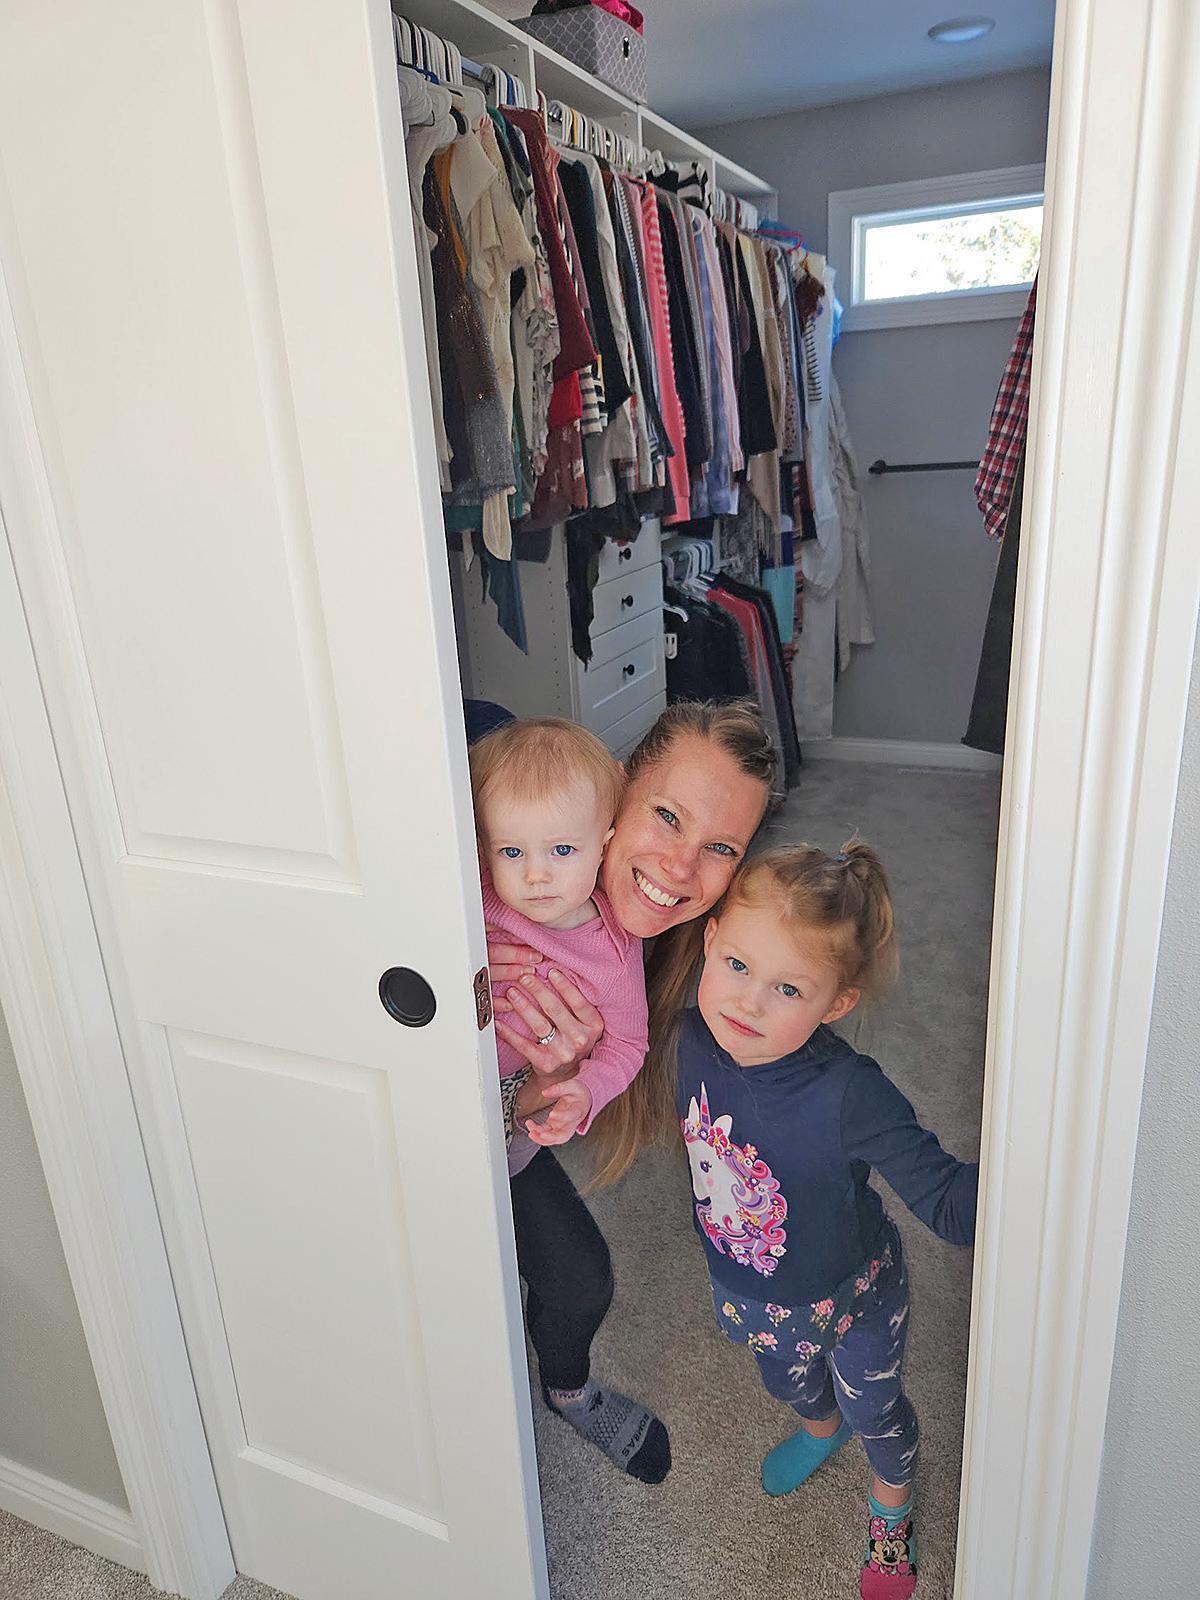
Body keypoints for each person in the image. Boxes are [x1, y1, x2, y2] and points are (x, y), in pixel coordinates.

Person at [482, 701, 776, 1484]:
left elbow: (625, 1050)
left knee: (582, 1278)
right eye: (668, 816)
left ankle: (566, 1388)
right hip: (415, 1123)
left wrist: (563, 1086)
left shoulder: (625, 962)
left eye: (720, 847)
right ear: (614, 794)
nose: (680, 867)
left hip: (510, 1144)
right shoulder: (498, 846)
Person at [675, 842, 977, 1598]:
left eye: (788, 988)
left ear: (835, 1004)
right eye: (738, 965)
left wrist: (1046, 1172)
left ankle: (891, 1511)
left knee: (875, 1407)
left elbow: (948, 1203)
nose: (748, 1002)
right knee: (788, 1382)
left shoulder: (850, 1092)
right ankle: (819, 1429)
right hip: (751, 1288)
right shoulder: (687, 1038)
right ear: (710, 940)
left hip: (856, 1291)